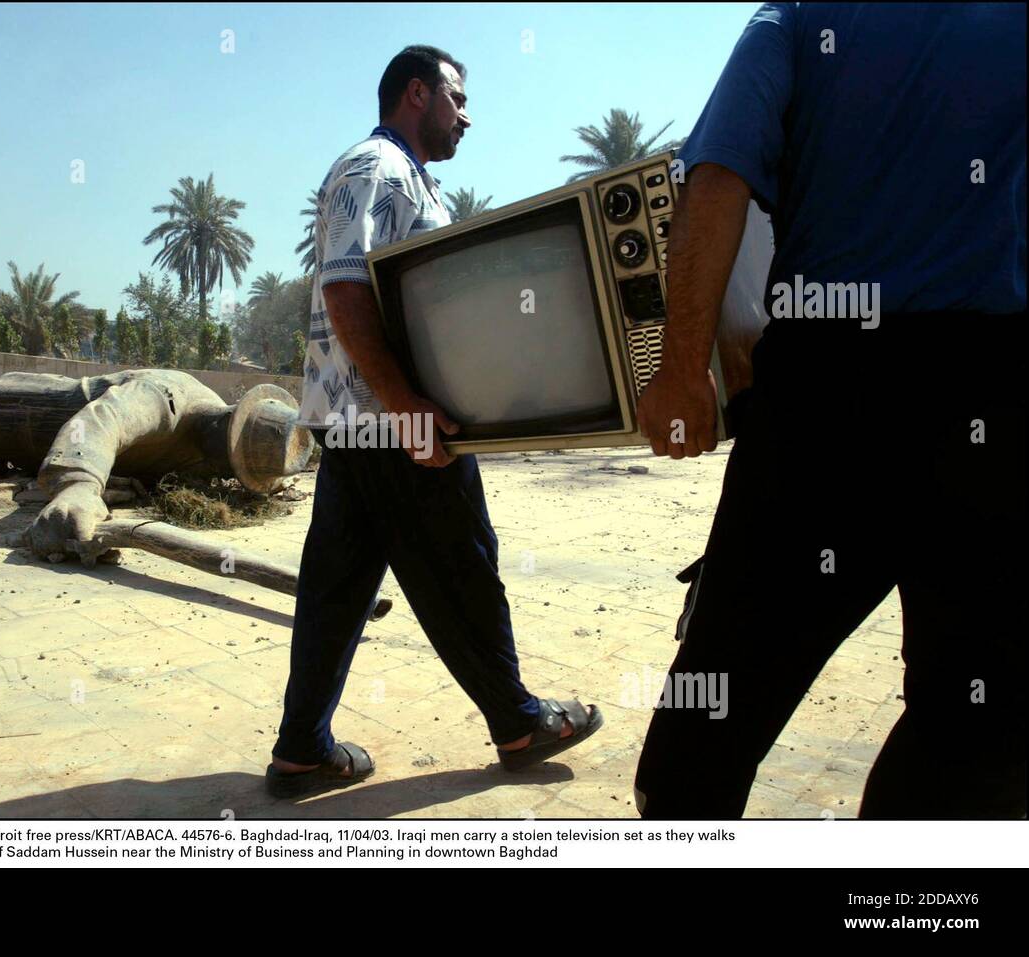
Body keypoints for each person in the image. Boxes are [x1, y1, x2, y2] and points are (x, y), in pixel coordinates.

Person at [634, 3, 1026, 818]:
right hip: (990, 399)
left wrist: (680, 372)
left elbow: (719, 176)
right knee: (976, 719)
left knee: (714, 712)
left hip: (827, 399)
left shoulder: (799, 16)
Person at [267, 46, 601, 797]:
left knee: (338, 585)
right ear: (416, 94)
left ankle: (300, 748)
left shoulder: (407, 179)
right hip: (394, 425)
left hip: (363, 424)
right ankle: (520, 722)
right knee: (462, 566)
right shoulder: (374, 168)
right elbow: (347, 290)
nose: (467, 115)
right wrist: (411, 406)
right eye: (457, 97)